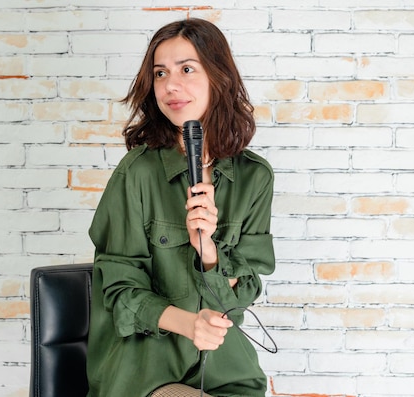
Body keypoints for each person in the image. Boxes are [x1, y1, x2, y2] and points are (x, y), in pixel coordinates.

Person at [87, 18, 275, 397]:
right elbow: (120, 289)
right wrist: (190, 324)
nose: (170, 85)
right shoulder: (137, 173)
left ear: (218, 77)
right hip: (145, 368)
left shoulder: (254, 177)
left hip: (225, 368)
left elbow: (243, 291)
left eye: (187, 69)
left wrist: (208, 253)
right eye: (160, 73)